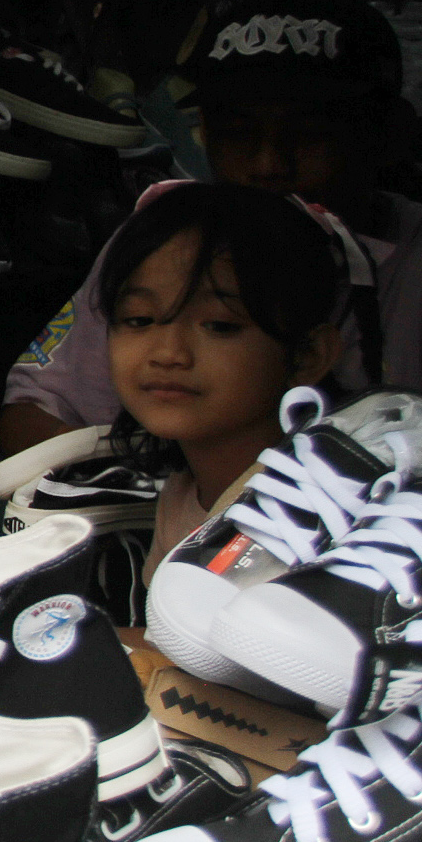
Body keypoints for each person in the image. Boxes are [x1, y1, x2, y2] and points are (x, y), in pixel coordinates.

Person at [1, 0, 422, 454]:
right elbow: (35, 414)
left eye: (310, 135)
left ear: (389, 135)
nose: (268, 165)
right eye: (238, 133)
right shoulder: (165, 243)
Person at [93, 183, 345, 574]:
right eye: (139, 320)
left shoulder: (314, 515)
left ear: (308, 355)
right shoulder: (184, 489)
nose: (168, 353)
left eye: (219, 326)